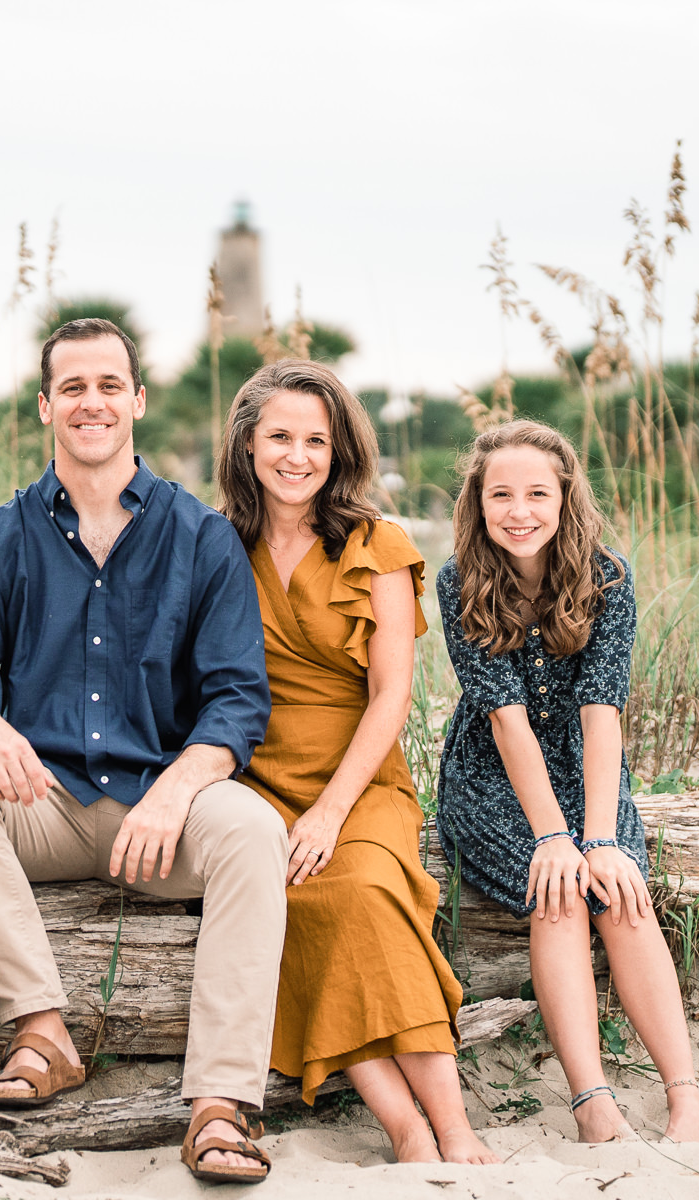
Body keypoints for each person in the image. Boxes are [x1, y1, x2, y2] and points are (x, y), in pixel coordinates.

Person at [0, 318, 285, 1185]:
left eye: (109, 385)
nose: (92, 402)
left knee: (253, 832)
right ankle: (43, 1029)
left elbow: (235, 699)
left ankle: (222, 1104)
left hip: (163, 808)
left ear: (138, 402)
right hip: (41, 805)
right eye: (73, 387)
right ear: (46, 406)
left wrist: (177, 788)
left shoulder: (202, 538)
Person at [216, 360, 498, 1165]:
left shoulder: (380, 544)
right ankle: (406, 1131)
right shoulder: (215, 543)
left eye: (316, 440)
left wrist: (333, 812)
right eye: (279, 437)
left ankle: (455, 1128)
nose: (296, 455)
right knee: (295, 909)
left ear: (341, 452)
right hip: (257, 780)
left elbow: (391, 696)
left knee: (370, 892)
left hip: (358, 778)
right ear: (247, 445)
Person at [435, 419, 699, 1143]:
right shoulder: (459, 579)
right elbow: (504, 721)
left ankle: (686, 1098)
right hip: (492, 771)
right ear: (478, 501)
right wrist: (553, 838)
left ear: (564, 496)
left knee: (619, 892)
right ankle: (592, 1102)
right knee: (556, 893)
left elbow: (601, 713)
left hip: (585, 760)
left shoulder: (607, 576)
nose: (518, 511)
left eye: (536, 493)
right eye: (501, 494)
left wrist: (599, 836)